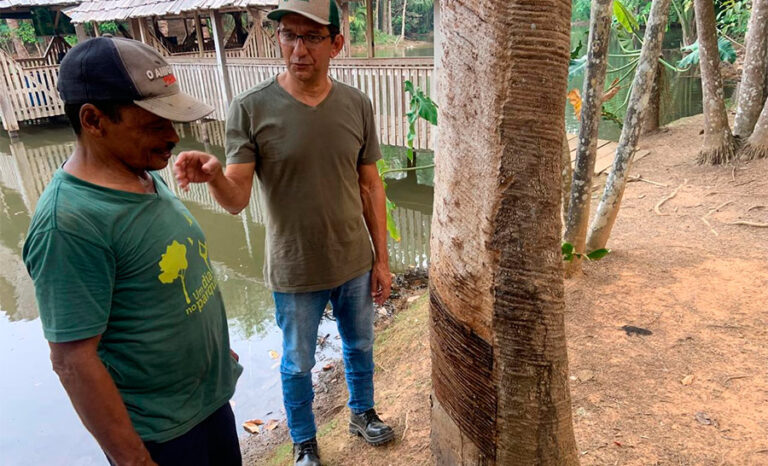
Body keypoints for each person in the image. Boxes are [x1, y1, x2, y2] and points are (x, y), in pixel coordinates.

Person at [173, 0, 394, 464]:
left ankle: (362, 412)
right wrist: (214, 175)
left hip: (353, 258)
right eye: (289, 35)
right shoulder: (250, 107)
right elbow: (236, 198)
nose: (298, 49)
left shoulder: (357, 104)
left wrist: (382, 259)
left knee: (360, 343)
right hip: (294, 267)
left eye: (312, 37)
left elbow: (371, 185)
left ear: (336, 43)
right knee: (297, 362)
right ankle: (304, 440)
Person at [22, 36, 243, 466]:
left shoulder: (142, 172)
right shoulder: (69, 223)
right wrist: (134, 460)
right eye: (154, 124)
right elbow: (72, 361)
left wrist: (211, 350)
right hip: (162, 435)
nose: (172, 136)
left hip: (207, 402)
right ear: (93, 120)